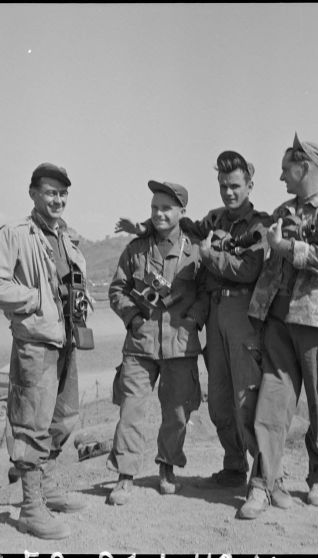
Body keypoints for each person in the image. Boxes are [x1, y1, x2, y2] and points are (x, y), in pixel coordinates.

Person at [115, 152, 280, 495]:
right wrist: (146, 228)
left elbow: (249, 269)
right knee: (219, 399)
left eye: (235, 185)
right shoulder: (214, 220)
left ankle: (264, 481)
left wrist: (209, 258)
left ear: (250, 185)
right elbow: (177, 224)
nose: (229, 192)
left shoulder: (259, 225)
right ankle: (234, 466)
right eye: (223, 186)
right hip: (215, 314)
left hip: (241, 315)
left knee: (246, 397)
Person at [238, 133, 318, 519]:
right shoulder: (281, 212)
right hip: (279, 321)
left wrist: (290, 248)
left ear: (304, 166)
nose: (281, 179)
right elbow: (268, 268)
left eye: (285, 171)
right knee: (271, 403)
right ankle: (262, 484)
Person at [0, 162, 90, 539]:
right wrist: (34, 299)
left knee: (64, 418)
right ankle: (30, 507)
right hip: (36, 345)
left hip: (68, 340)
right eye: (50, 192)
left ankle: (46, 487)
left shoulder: (67, 238)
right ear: (33, 194)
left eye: (62, 194)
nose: (57, 200)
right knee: (31, 424)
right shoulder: (15, 235)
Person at [106, 180, 208, 505]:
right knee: (131, 410)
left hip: (180, 346)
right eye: (154, 208)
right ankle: (124, 476)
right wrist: (132, 318)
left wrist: (193, 320)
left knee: (177, 413)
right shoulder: (136, 249)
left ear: (182, 212)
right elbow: (116, 290)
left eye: (166, 208)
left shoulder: (196, 251)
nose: (159, 214)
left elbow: (207, 294)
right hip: (140, 346)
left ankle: (167, 467)